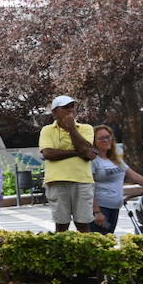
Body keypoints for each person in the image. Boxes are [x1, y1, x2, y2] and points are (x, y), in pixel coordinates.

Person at [40, 95, 98, 232]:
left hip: (82, 180)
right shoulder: (47, 130)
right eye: (65, 107)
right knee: (61, 225)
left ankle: (85, 252)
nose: (70, 110)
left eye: (72, 106)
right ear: (55, 112)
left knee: (83, 224)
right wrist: (78, 153)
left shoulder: (86, 128)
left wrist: (72, 129)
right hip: (57, 181)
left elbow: (87, 150)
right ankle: (62, 253)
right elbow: (48, 154)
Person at [91, 124, 143, 234]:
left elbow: (133, 176)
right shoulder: (93, 161)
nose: (106, 140)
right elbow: (89, 187)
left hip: (115, 207)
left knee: (108, 237)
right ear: (94, 142)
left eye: (108, 137)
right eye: (101, 138)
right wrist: (96, 211)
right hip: (102, 209)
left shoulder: (115, 159)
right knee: (100, 240)